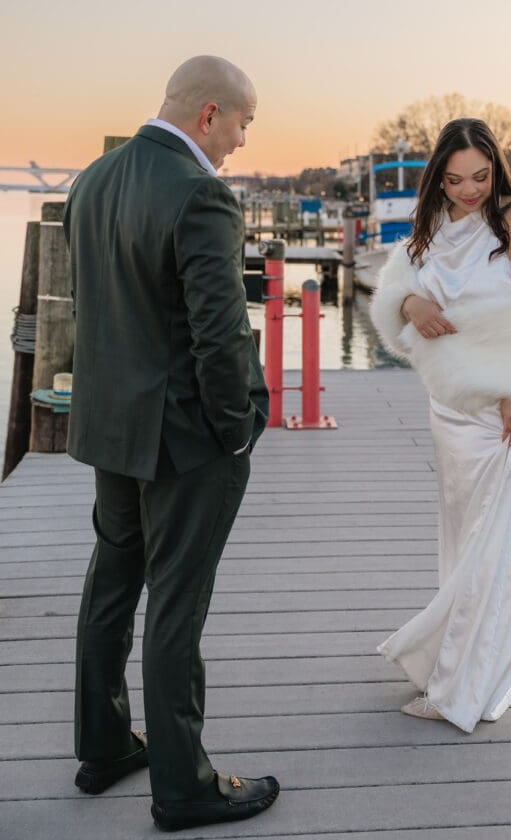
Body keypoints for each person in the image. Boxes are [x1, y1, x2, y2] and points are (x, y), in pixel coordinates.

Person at [64, 55, 279, 830]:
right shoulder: (200, 195)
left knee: (112, 585)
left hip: (108, 426)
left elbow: (100, 305)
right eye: (244, 125)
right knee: (177, 606)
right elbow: (220, 336)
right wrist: (237, 428)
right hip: (185, 438)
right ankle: (184, 786)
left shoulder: (92, 179)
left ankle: (103, 744)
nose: (242, 144)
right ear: (210, 113)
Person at [370, 117, 511, 732]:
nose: (469, 190)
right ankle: (464, 660)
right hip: (450, 408)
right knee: (463, 541)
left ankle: (468, 679)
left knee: (497, 543)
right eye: (456, 178)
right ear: (439, 175)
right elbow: (395, 288)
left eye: (480, 176)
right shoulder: (431, 222)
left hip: (505, 407)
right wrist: (411, 303)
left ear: (496, 167)